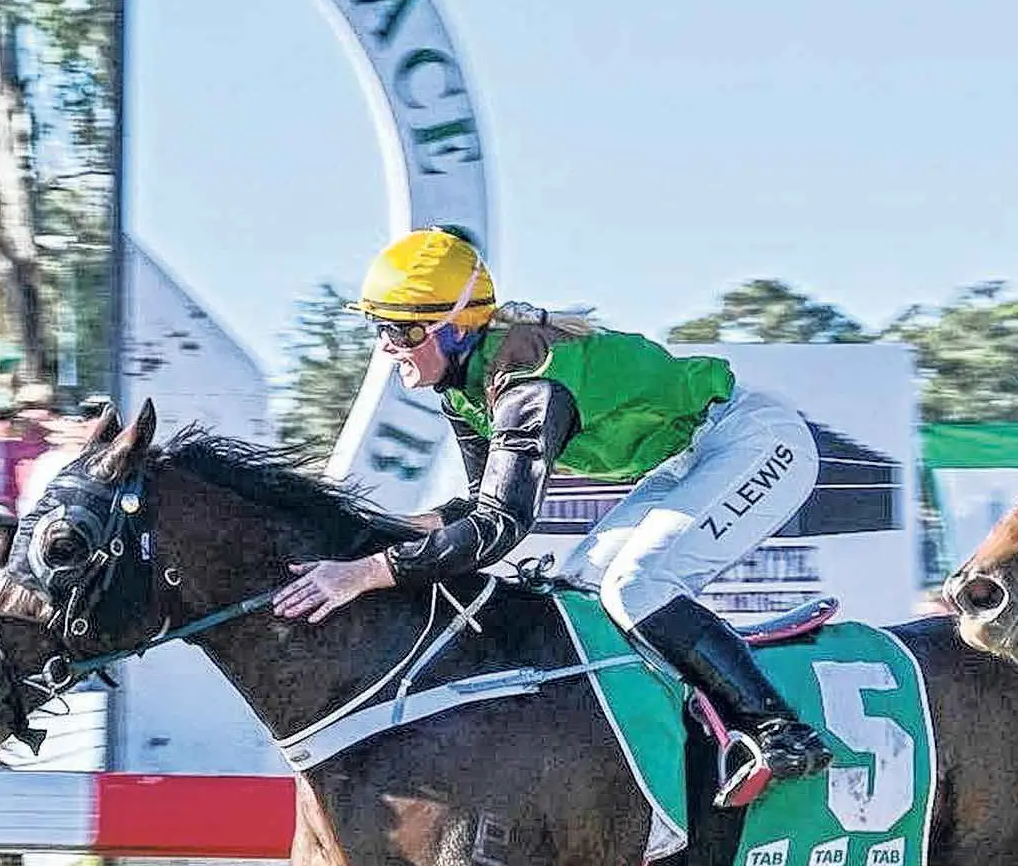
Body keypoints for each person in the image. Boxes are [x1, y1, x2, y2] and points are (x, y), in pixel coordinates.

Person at [274, 227, 833, 798]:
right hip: (686, 460)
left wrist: (366, 574)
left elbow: (499, 526)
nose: (386, 348)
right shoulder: (464, 387)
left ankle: (777, 730)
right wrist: (368, 540)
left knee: (637, 586)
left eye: (397, 330)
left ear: (453, 326)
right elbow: (474, 504)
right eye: (379, 329)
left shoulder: (528, 386)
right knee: (580, 592)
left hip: (756, 441)